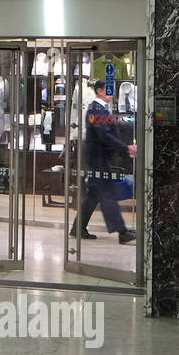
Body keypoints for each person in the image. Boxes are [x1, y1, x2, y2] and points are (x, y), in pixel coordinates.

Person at [70, 85, 138, 244]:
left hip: (99, 158)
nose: (112, 94)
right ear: (99, 91)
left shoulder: (100, 109)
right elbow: (104, 136)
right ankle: (122, 232)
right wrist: (125, 148)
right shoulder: (96, 109)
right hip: (98, 160)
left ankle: (78, 228)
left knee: (93, 195)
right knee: (107, 194)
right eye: (108, 90)